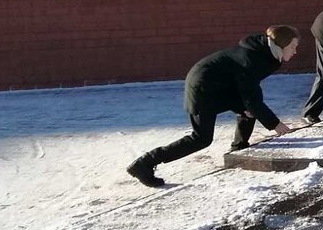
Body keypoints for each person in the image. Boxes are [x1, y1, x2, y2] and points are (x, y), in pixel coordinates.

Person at [126, 25, 300, 188]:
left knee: (249, 110)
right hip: (203, 87)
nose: (295, 51)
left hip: (221, 86)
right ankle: (144, 163)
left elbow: (250, 93)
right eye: (292, 47)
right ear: (281, 45)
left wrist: (253, 109)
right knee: (201, 138)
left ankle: (239, 147)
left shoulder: (266, 54)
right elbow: (251, 97)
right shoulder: (253, 58)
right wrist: (275, 124)